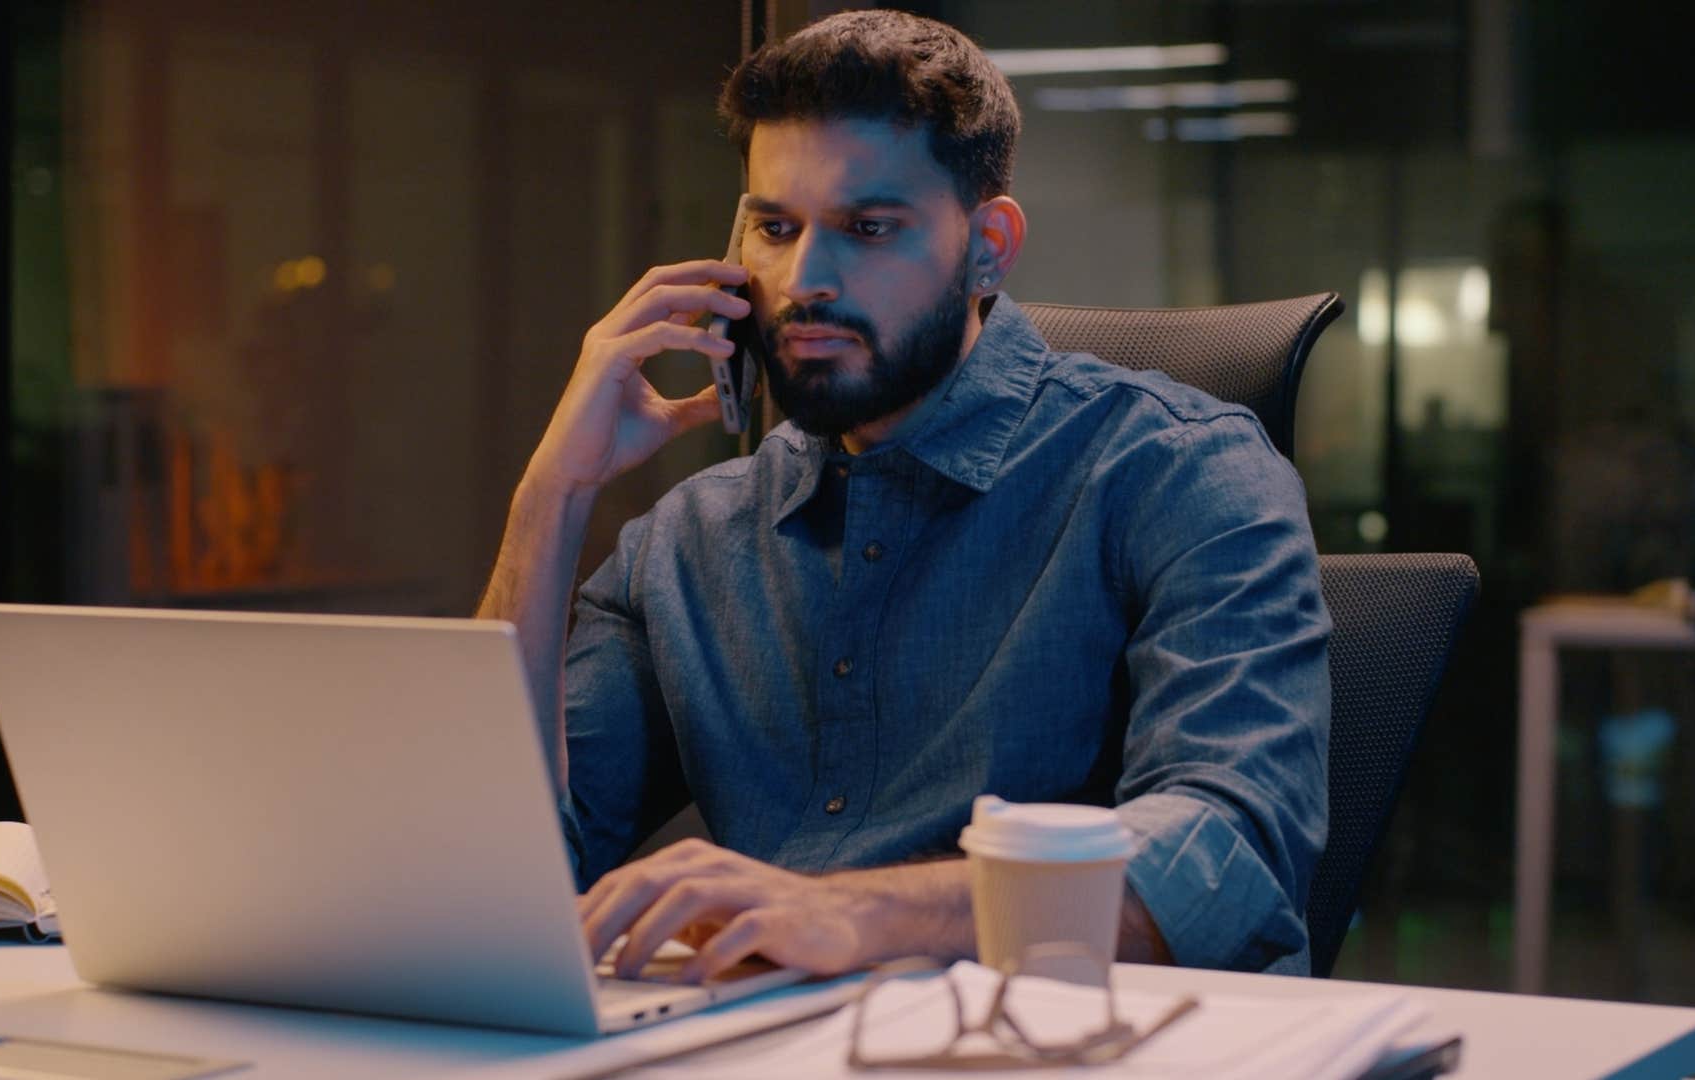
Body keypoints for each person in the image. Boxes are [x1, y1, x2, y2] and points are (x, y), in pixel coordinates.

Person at [475, 10, 1329, 982]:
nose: (804, 280)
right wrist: (551, 496)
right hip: (771, 1035)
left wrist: (852, 910)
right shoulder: (688, 542)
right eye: (775, 228)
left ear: (989, 246)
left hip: (1067, 1036)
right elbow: (493, 876)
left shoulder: (1178, 470)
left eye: (869, 228)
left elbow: (1229, 858)